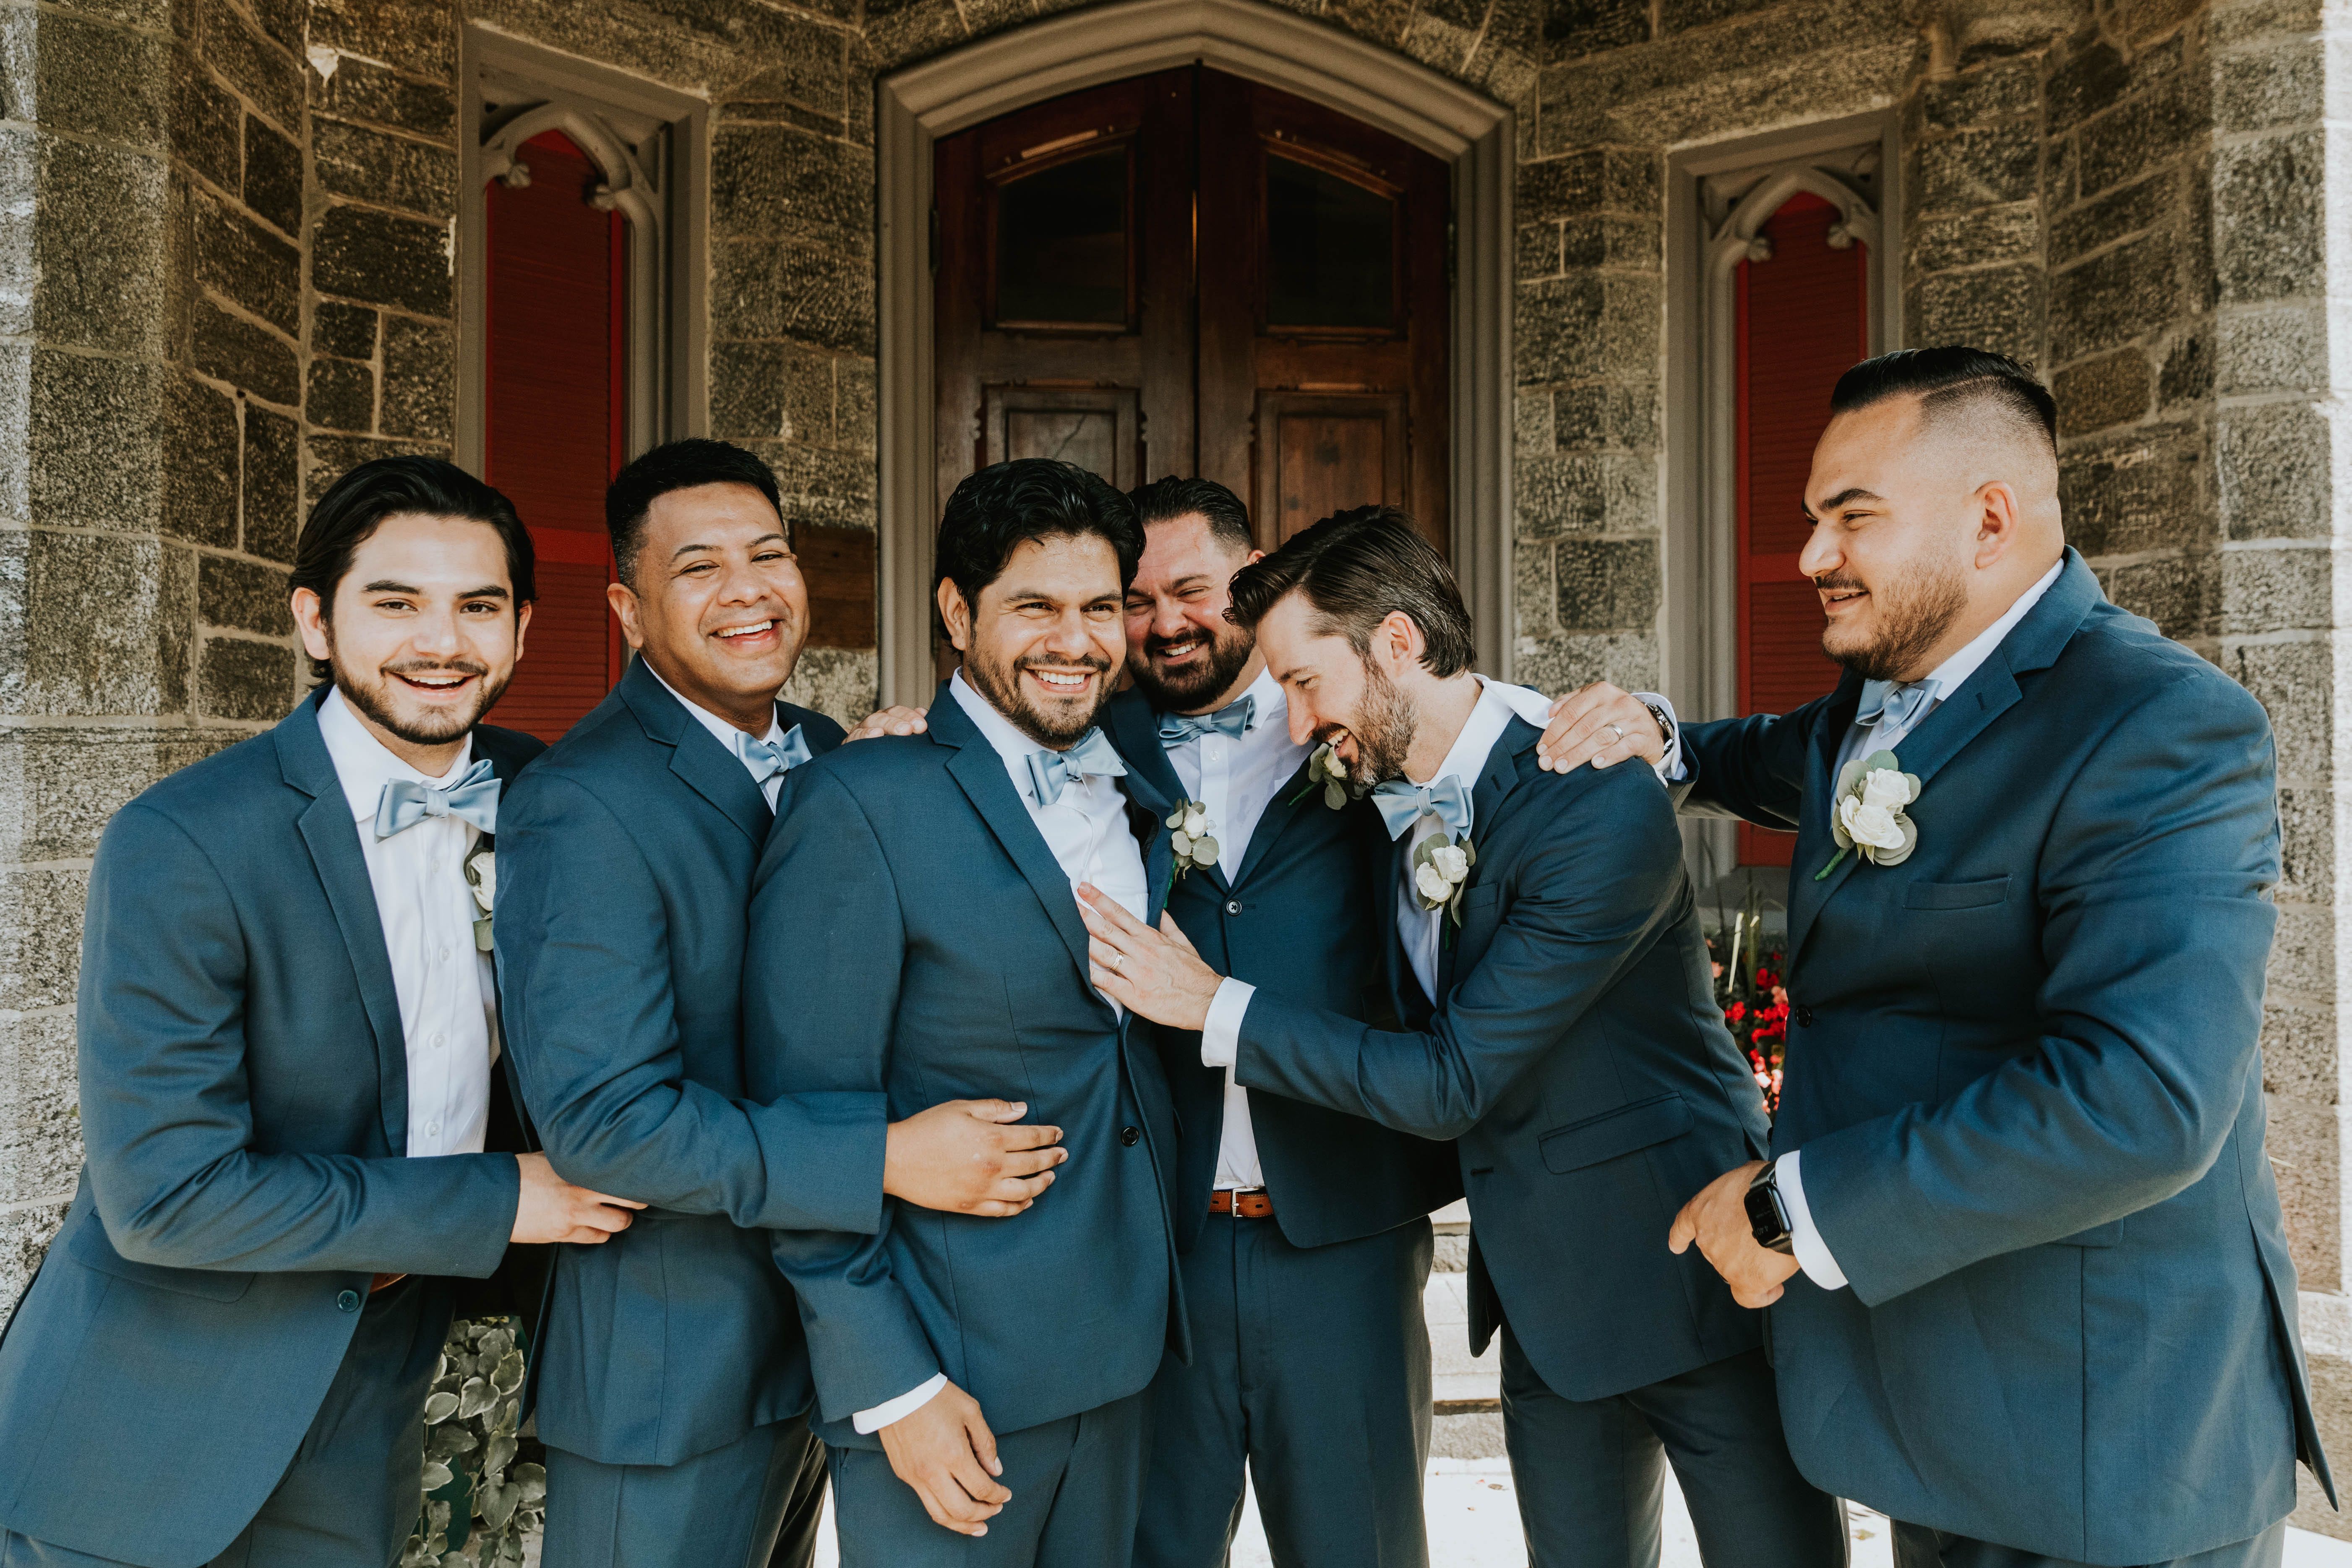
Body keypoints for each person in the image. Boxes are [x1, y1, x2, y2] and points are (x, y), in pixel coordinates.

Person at [1554, 346, 2336, 1568]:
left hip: (2101, 1438)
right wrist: (1665, 742)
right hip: (1930, 1404)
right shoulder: (1881, 697)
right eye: (1811, 519)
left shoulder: (2161, 724)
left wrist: (1788, 1208)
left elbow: (2141, 1101)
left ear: (1988, 520)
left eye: (1849, 518)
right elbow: (1780, 755)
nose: (1811, 556)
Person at [1080, 505, 1845, 1568]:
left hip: (1695, 1267)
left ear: (1397, 643)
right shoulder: (1393, 790)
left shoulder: (1588, 802)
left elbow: (1452, 1080)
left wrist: (1210, 1004)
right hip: (1540, 1288)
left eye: (1305, 683)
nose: (1294, 724)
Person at [0, 457, 639, 1568]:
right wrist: (495, 1199)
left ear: (524, 630)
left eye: (477, 606)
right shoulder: (186, 840)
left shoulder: (549, 797)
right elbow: (166, 1195)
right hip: (155, 1410)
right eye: (395, 603)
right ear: (314, 620)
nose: (440, 641)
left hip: (384, 1386)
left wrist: (862, 761)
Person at [493, 439, 1067, 1568]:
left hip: (816, 1352)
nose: (748, 588)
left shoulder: (829, 754)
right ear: (628, 605)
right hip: (670, 1379)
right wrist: (884, 1159)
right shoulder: (582, 803)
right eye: (700, 567)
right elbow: (605, 1124)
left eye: (768, 554)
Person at [743, 457, 1184, 1567]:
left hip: (1130, 1356)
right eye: (1033, 607)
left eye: (1097, 608)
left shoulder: (1143, 782)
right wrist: (892, 1386)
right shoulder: (859, 801)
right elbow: (804, 1123)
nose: (1074, 640)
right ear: (956, 611)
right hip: (949, 1376)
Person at [1102, 477, 1459, 1568]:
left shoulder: (1362, 728)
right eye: (1136, 598)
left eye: (1193, 590)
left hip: (1341, 1231)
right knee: (1152, 1546)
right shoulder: (1084, 742)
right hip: (1161, 1245)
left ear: (1249, 591)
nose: (1166, 621)